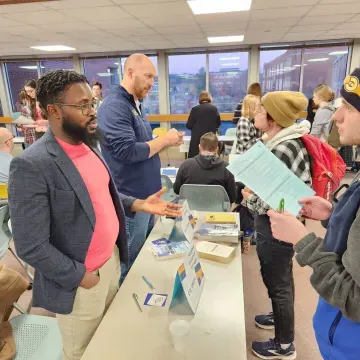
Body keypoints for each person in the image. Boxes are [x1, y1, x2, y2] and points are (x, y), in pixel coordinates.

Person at [8, 70, 181, 360]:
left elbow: (99, 196)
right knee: (83, 351)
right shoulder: (31, 165)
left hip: (111, 262)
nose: (92, 112)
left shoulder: (89, 147)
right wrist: (84, 278)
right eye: (83, 106)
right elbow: (29, 245)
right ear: (53, 111)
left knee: (110, 340)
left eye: (93, 103)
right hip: (81, 280)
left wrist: (139, 204)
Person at [267, 69, 360, 360]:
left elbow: (355, 299)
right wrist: (334, 214)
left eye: (349, 107)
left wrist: (303, 240)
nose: (335, 116)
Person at [97, 54, 184, 280]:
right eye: (147, 76)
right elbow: (127, 152)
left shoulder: (134, 103)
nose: (151, 83)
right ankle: (121, 312)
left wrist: (165, 140)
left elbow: (141, 144)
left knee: (141, 256)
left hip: (147, 200)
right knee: (129, 263)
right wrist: (164, 140)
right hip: (131, 200)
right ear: (129, 72)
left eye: (154, 78)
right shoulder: (116, 105)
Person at [242, 91, 311, 359]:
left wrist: (248, 197)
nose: (256, 113)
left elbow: (278, 201)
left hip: (276, 226)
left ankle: (284, 345)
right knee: (279, 277)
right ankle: (278, 316)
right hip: (277, 226)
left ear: (272, 119)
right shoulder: (282, 141)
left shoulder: (282, 148)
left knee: (279, 280)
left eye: (260, 110)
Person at [173, 132, 236, 202]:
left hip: (191, 209)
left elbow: (177, 190)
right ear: (217, 149)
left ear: (199, 147)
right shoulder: (226, 168)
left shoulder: (185, 165)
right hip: (217, 211)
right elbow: (232, 197)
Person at [186, 91, 221, 158]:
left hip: (197, 140)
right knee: (210, 159)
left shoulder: (195, 109)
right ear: (210, 98)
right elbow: (218, 124)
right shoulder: (214, 109)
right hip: (210, 139)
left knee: (195, 161)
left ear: (199, 99)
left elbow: (188, 125)